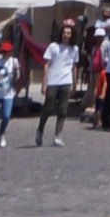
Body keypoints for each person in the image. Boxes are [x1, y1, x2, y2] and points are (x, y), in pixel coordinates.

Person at [35, 17, 81, 146]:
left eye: (68, 33)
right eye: (64, 33)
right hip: (53, 81)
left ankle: (57, 135)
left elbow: (74, 67)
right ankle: (40, 129)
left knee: (63, 110)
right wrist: (44, 83)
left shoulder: (74, 49)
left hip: (66, 81)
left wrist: (75, 84)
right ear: (61, 34)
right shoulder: (53, 47)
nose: (66, 35)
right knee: (48, 107)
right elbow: (46, 65)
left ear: (72, 35)